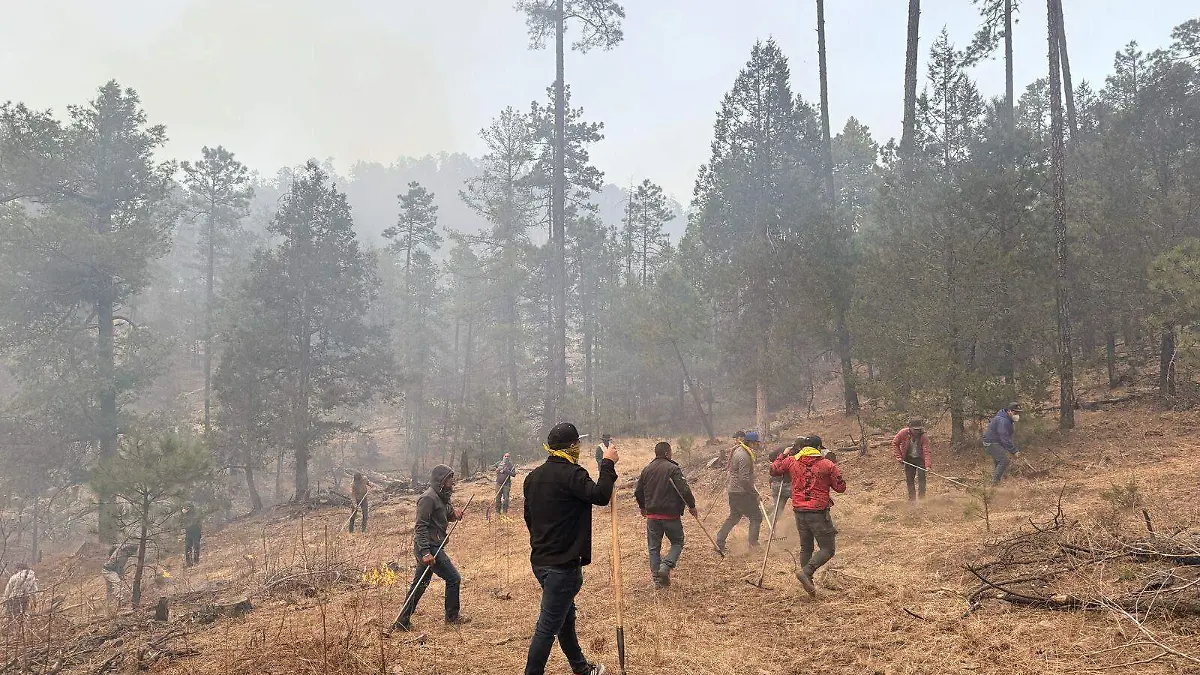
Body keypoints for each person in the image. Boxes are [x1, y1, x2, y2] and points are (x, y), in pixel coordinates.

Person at [523, 422, 616, 675]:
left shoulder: (532, 478)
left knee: (565, 618)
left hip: (540, 562)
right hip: (562, 567)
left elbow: (529, 518)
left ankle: (581, 668)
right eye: (578, 443)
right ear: (572, 446)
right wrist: (608, 463)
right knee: (547, 627)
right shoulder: (573, 475)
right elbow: (600, 495)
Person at [392, 464, 469, 630]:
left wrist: (455, 515)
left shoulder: (442, 496)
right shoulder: (428, 498)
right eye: (449, 478)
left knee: (420, 584)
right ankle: (452, 617)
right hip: (429, 547)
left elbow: (446, 515)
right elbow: (420, 527)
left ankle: (402, 621)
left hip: (434, 545)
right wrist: (425, 552)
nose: (452, 481)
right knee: (453, 578)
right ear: (441, 480)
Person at [770, 435, 846, 597]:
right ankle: (807, 572)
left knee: (806, 547)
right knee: (828, 549)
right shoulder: (827, 464)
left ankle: (808, 582)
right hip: (818, 512)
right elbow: (840, 488)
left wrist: (783, 454)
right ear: (818, 448)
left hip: (799, 511)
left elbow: (774, 470)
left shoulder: (791, 461)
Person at [634, 441, 697, 589]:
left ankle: (658, 581)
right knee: (677, 542)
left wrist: (643, 507)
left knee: (653, 548)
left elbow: (638, 491)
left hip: (652, 516)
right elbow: (684, 490)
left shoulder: (646, 469)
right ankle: (666, 566)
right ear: (667, 453)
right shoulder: (673, 469)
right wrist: (692, 506)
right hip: (670, 516)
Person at [715, 430, 763, 554]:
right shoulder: (744, 456)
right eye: (757, 442)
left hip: (734, 491)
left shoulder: (740, 451)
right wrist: (755, 494)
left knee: (734, 517)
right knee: (756, 516)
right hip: (741, 492)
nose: (758, 445)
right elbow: (744, 479)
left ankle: (719, 541)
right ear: (751, 443)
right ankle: (753, 544)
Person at [892, 420, 932, 501]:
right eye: (915, 429)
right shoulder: (903, 433)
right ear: (910, 428)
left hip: (920, 460)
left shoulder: (923, 436)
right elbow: (895, 443)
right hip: (908, 459)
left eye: (919, 429)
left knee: (922, 479)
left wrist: (927, 465)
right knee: (910, 479)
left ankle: (922, 499)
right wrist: (899, 456)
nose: (917, 431)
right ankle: (912, 500)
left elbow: (926, 451)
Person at [983, 403, 1022, 485]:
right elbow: (1004, 437)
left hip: (996, 443)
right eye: (1015, 412)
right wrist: (1014, 451)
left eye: (1018, 413)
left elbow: (1006, 437)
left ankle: (995, 483)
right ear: (1009, 411)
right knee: (1004, 461)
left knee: (998, 462)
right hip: (991, 443)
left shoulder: (1007, 419)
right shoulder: (1003, 420)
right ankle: (994, 484)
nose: (1017, 415)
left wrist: (1010, 449)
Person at [103, 543, 139, 607]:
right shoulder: (123, 556)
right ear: (130, 550)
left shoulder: (120, 547)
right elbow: (119, 567)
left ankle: (109, 604)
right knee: (117, 582)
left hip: (105, 569)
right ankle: (121, 600)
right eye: (133, 552)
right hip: (110, 571)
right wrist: (121, 575)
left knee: (109, 589)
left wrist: (110, 556)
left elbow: (113, 546)